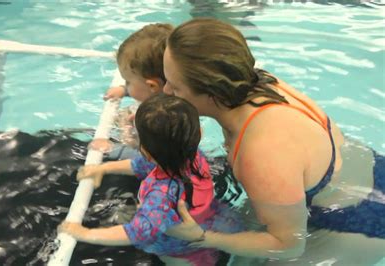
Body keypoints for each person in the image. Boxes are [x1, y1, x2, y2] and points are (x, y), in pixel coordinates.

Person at [161, 18, 385, 264]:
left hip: (361, 224)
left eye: (175, 87)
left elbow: (287, 246)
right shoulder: (254, 81)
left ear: (211, 94)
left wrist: (204, 237)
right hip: (367, 171)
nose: (165, 92)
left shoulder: (260, 151)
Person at [59, 94, 243, 265]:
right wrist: (104, 168)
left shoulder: (160, 196)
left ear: (146, 151)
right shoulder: (193, 155)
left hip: (179, 249)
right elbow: (141, 165)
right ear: (200, 133)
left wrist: (84, 232)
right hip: (210, 218)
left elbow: (134, 233)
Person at [90, 23, 173, 154]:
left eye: (128, 82)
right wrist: (125, 90)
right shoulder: (169, 99)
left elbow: (151, 160)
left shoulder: (164, 123)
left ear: (152, 86)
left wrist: (112, 149)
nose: (125, 84)